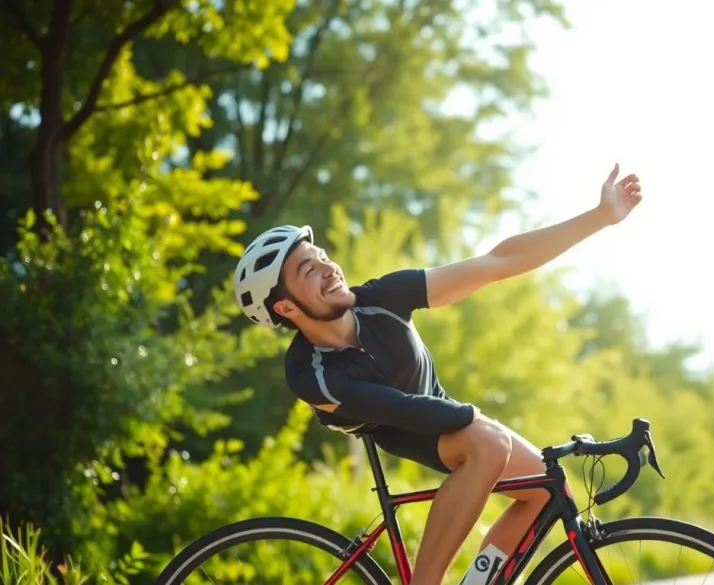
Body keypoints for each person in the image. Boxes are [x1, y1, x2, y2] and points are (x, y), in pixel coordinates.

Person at [231, 164, 643, 585]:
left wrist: (600, 217)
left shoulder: (382, 297)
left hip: (441, 412)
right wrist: (472, 417)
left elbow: (500, 261)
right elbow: (397, 408)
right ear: (285, 308)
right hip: (405, 428)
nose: (329, 268)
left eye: (323, 258)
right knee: (489, 442)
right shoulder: (309, 372)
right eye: (309, 270)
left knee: (543, 488)